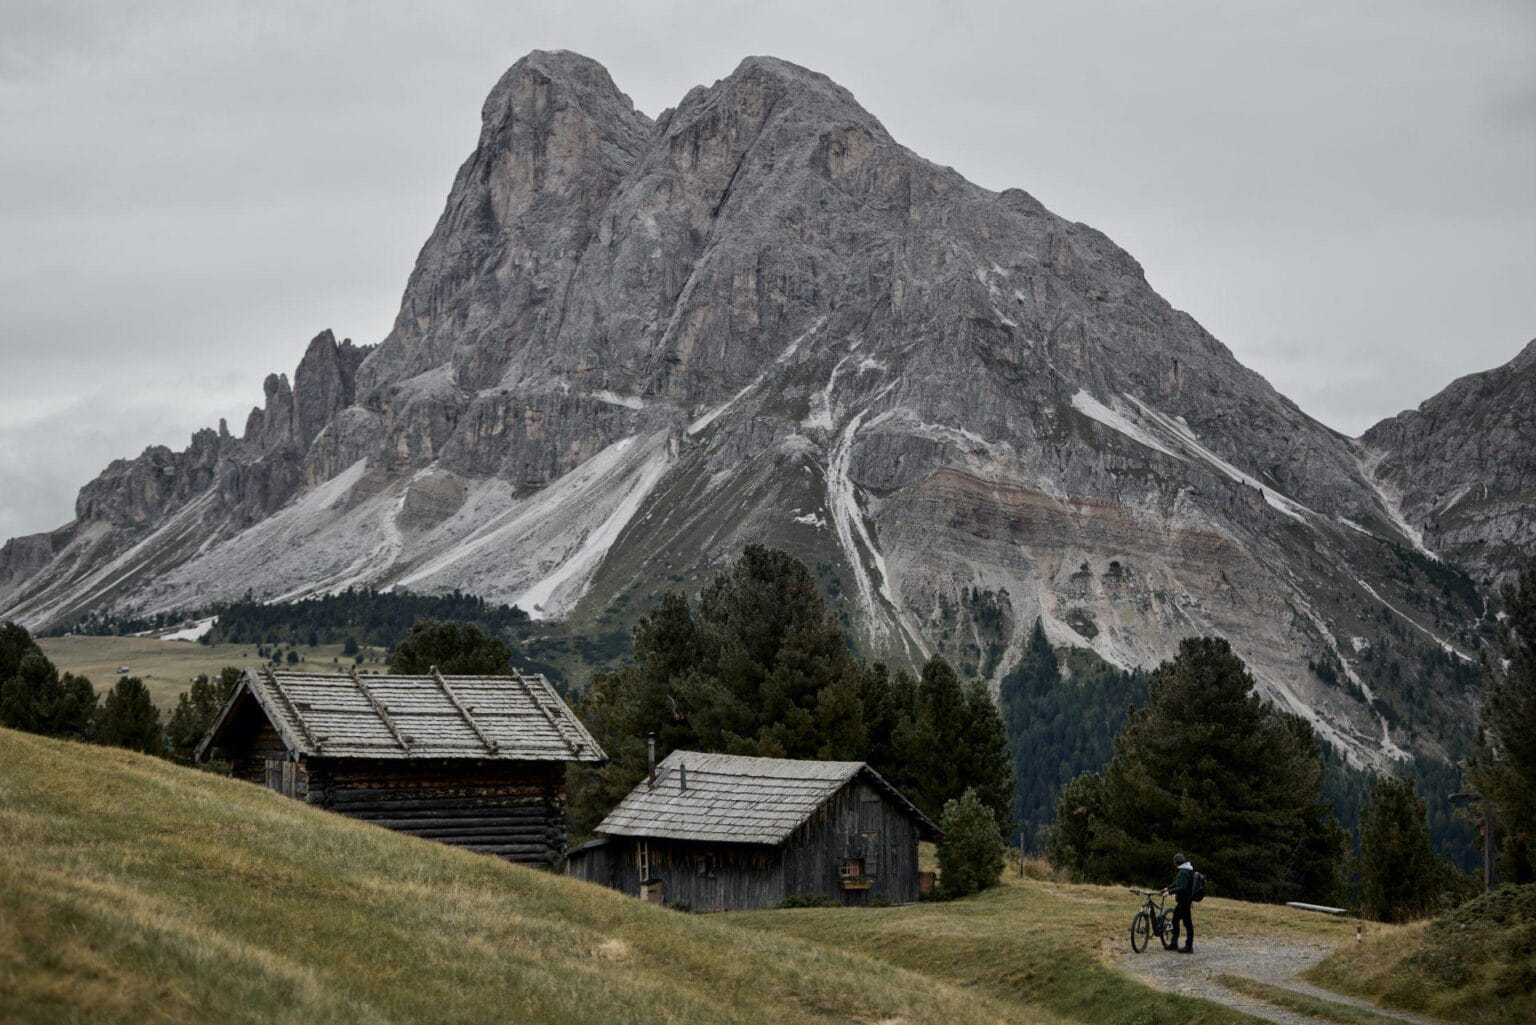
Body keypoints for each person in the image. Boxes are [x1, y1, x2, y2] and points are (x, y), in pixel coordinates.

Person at [1161, 852, 1195, 953]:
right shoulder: (1186, 870)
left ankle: (1188, 947)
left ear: (1175, 862)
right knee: (1175, 921)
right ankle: (1174, 943)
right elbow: (1178, 883)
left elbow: (1182, 887)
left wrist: (1169, 892)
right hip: (1183, 902)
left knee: (1187, 924)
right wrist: (1168, 888)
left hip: (1184, 902)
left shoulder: (1183, 872)